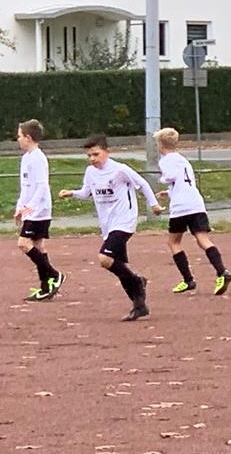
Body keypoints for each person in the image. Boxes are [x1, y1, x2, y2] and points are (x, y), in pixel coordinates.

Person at [58, 135, 162, 321]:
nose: (92, 159)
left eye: (96, 154)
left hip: (124, 221)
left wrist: (153, 204)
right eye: (89, 155)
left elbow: (143, 184)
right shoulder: (90, 172)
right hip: (108, 224)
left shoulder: (120, 170)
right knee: (118, 265)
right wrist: (71, 193)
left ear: (107, 152)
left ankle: (138, 283)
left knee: (105, 258)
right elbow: (86, 192)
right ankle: (139, 304)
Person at [153, 128, 231, 296]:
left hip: (181, 207)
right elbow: (184, 183)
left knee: (174, 242)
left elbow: (170, 176)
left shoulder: (165, 160)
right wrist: (169, 192)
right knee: (203, 239)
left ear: (161, 145)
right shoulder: (183, 160)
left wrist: (162, 179)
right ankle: (222, 271)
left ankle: (188, 280)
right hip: (196, 204)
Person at [15, 119, 64, 301]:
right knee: (38, 245)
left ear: (28, 137)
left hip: (39, 210)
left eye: (19, 136)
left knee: (23, 243)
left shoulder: (38, 158)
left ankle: (54, 275)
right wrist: (20, 207)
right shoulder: (26, 158)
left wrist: (31, 207)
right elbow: (25, 187)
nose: (18, 139)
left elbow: (42, 186)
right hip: (30, 210)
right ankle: (46, 286)